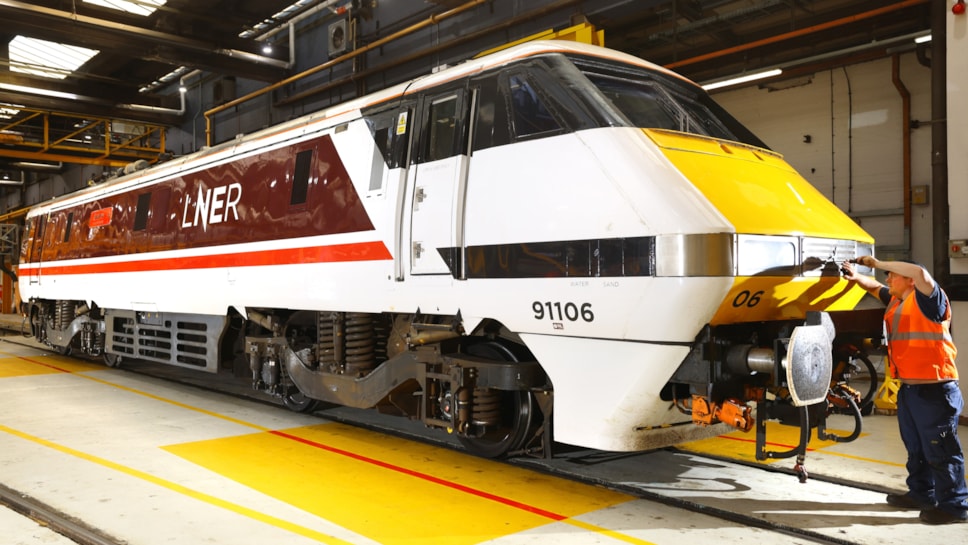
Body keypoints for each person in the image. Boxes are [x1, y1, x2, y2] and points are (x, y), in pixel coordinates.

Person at [842, 256, 968, 524]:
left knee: (941, 449)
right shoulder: (899, 299)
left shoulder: (929, 299)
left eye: (892, 275)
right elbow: (874, 288)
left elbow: (921, 273)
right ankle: (922, 493)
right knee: (917, 448)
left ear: (909, 279)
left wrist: (876, 263)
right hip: (911, 390)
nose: (887, 279)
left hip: (936, 390)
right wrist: (856, 276)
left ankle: (955, 506)